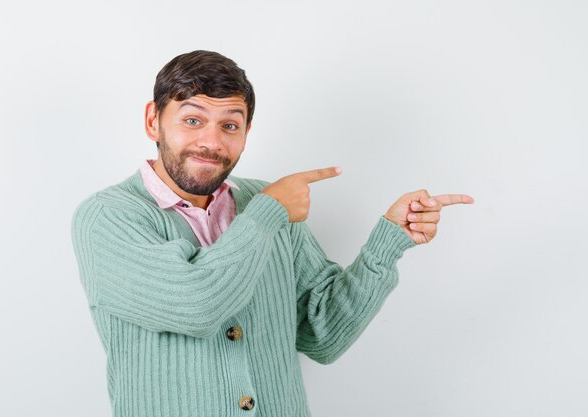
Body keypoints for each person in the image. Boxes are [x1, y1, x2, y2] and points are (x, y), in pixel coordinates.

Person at [71, 50, 474, 417]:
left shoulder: (265, 202)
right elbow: (196, 305)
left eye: (230, 125)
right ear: (153, 121)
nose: (211, 142)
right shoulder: (107, 217)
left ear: (246, 132)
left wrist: (387, 242)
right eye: (192, 120)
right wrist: (268, 213)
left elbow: (325, 336)